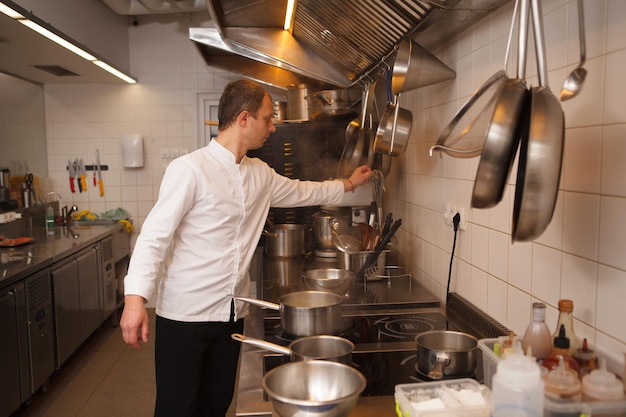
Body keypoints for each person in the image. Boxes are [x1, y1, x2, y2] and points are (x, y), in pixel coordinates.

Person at [120, 79, 373, 417]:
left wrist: (348, 184)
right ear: (243, 118)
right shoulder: (190, 170)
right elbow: (154, 237)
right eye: (267, 119)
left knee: (217, 403)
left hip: (231, 315)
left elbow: (304, 192)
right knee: (177, 409)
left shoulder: (260, 175)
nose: (273, 126)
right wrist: (135, 300)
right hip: (185, 316)